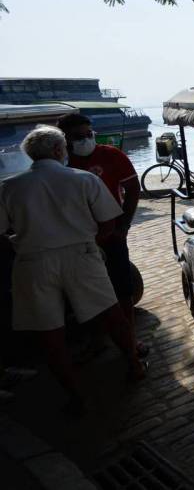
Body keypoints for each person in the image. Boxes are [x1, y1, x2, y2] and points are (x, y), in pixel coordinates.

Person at [0, 126, 144, 414]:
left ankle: (76, 395)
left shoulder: (10, 187)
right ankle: (135, 365)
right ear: (58, 150)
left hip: (33, 262)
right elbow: (108, 223)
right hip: (81, 254)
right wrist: (92, 241)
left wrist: (21, 246)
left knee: (50, 333)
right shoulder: (83, 179)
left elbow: (2, 232)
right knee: (111, 314)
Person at [56, 113, 144, 358]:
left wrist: (123, 226)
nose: (85, 140)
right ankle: (96, 338)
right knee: (83, 292)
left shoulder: (111, 155)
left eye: (89, 134)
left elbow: (133, 189)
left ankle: (131, 339)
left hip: (112, 235)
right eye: (78, 137)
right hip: (77, 239)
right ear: (65, 139)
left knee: (122, 289)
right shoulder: (60, 163)